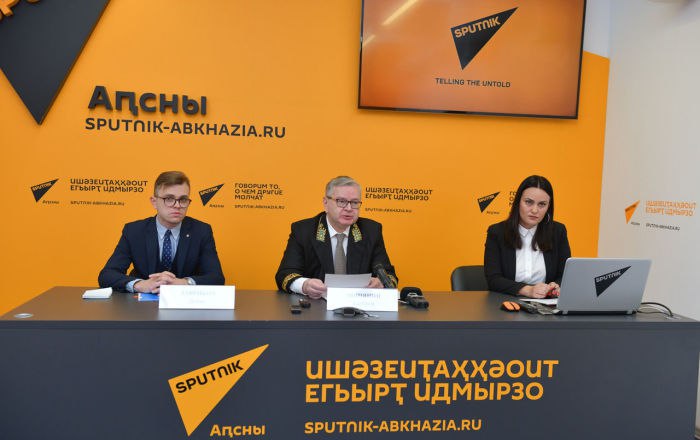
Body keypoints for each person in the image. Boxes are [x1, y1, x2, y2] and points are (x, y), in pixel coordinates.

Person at [98, 171, 225, 293]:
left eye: (183, 199)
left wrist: (185, 283)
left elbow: (216, 278)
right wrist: (139, 284)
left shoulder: (201, 231)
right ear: (154, 202)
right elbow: (107, 275)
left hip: (185, 303)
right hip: (142, 303)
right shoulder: (134, 231)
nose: (177, 205)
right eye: (169, 199)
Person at [275, 176, 398, 298]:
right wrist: (304, 285)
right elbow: (285, 274)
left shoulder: (371, 231)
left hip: (359, 306)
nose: (349, 208)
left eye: (355, 202)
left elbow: (389, 275)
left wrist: (380, 282)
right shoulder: (304, 231)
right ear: (325, 203)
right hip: (316, 305)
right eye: (341, 201)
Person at [484, 175, 571, 298]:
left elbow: (565, 275)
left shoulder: (558, 231)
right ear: (518, 202)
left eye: (542, 204)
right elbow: (494, 280)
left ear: (548, 207)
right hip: (506, 301)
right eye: (529, 202)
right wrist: (528, 290)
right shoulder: (497, 232)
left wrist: (555, 286)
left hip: (546, 303)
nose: (535, 210)